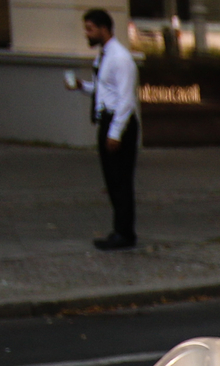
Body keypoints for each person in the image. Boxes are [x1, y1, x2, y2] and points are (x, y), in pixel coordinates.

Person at [80, 8, 139, 250]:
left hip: (119, 123)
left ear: (104, 29)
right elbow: (105, 90)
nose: (87, 33)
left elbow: (125, 100)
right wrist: (81, 86)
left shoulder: (120, 58)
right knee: (112, 180)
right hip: (107, 121)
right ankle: (120, 230)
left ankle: (125, 233)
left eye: (90, 28)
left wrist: (115, 133)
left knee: (120, 179)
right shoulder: (103, 56)